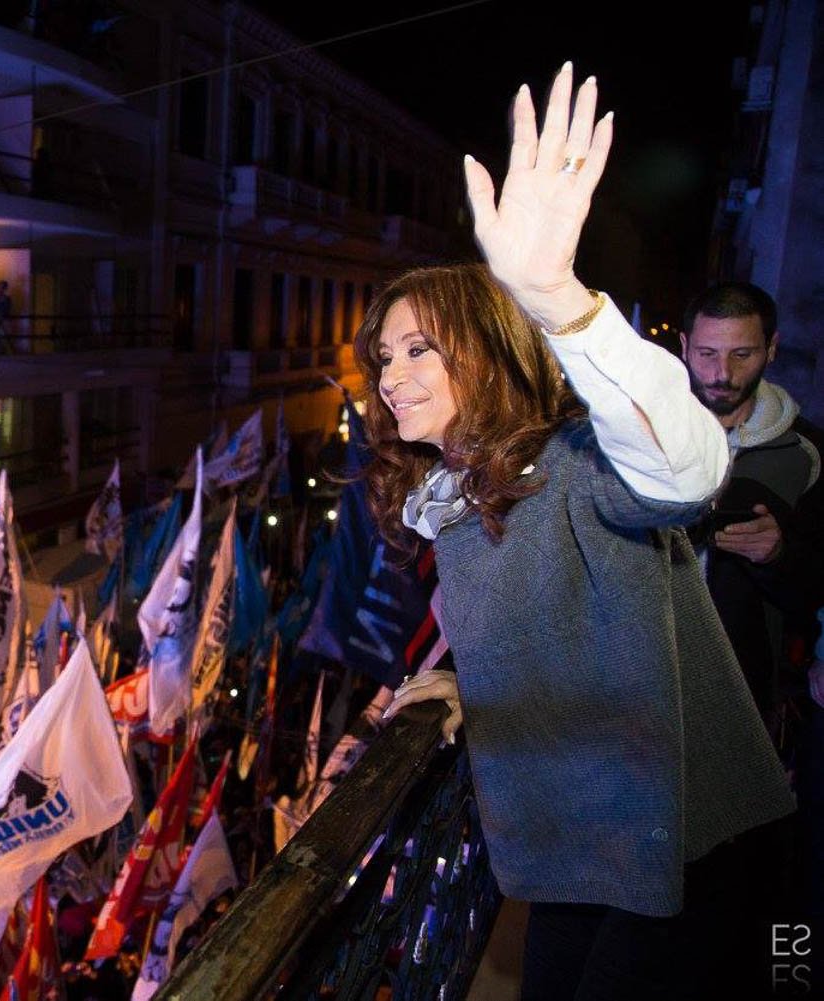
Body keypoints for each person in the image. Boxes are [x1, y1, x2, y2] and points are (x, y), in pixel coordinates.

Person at [374, 66, 794, 999]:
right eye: (384, 357)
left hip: (684, 846)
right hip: (578, 856)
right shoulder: (458, 498)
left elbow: (687, 470)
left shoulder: (571, 459)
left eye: (417, 348)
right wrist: (464, 678)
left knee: (779, 975)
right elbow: (551, 629)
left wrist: (557, 297)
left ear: (483, 349)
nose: (389, 375)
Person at [679, 282, 824, 738]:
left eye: (742, 355)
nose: (722, 373)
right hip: (639, 686)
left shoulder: (807, 454)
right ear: (683, 347)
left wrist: (778, 555)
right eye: (706, 353)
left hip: (741, 698)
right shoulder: (640, 438)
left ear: (772, 348)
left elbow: (816, 589)